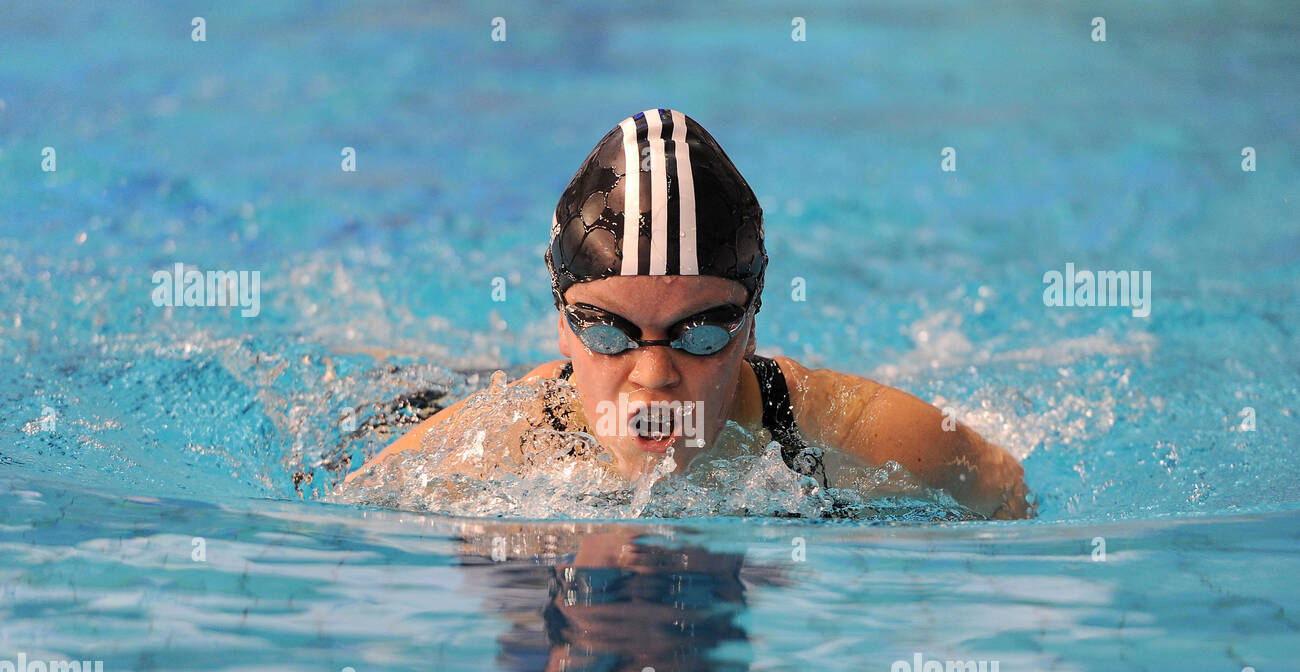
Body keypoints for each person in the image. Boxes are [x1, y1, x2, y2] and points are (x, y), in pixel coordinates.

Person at [344, 108, 1034, 520]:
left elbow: (1006, 493)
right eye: (608, 329)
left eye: (700, 332)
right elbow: (348, 511)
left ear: (751, 325)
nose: (652, 377)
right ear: (562, 321)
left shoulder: (850, 433)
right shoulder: (498, 440)